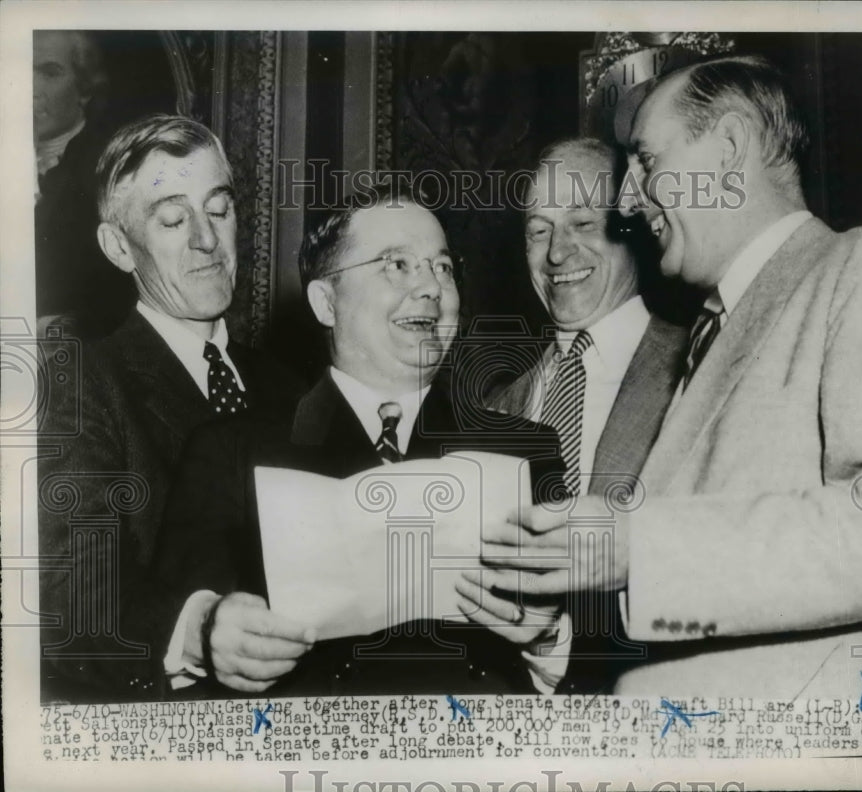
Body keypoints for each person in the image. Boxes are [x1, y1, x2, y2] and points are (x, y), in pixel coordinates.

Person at [467, 55, 862, 750]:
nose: (629, 201)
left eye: (647, 161)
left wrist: (636, 545)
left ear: (728, 148)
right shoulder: (710, 339)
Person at [153, 186, 564, 696]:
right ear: (326, 302)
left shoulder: (526, 451)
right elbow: (157, 621)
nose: (431, 288)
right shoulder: (231, 453)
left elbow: (598, 661)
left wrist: (547, 636)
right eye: (397, 265)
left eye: (442, 268)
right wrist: (205, 632)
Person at [37, 114, 303, 702]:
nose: (206, 239)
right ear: (118, 247)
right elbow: (70, 594)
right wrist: (199, 632)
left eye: (219, 208)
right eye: (174, 219)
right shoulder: (80, 384)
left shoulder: (293, 389)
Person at [476, 138, 688, 692]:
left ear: (632, 228)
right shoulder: (494, 408)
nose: (556, 253)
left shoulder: (699, 371)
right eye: (538, 230)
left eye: (582, 223)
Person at [34, 30, 133, 335]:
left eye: (50, 72)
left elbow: (119, 296)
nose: (29, 87)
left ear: (85, 89)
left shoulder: (110, 171)